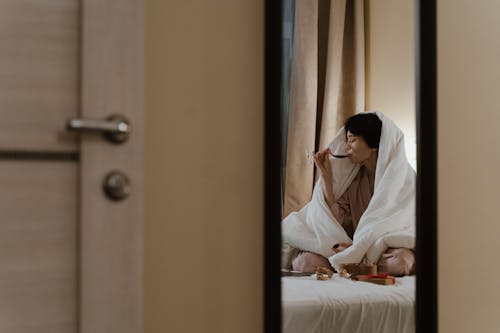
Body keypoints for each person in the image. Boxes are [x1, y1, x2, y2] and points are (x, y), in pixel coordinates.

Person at [291, 113, 415, 276]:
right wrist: (326, 179)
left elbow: (406, 224)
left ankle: (357, 267)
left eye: (352, 140)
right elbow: (339, 222)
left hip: (387, 251)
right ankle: (357, 266)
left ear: (373, 144)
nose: (347, 146)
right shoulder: (352, 180)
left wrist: (364, 247)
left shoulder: (405, 179)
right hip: (353, 248)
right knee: (303, 262)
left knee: (400, 263)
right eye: (347, 140)